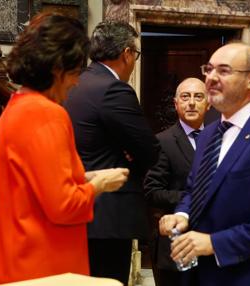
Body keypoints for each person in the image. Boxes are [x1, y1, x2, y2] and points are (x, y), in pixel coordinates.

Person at [0, 13, 129, 285]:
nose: (77, 82)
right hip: (44, 263)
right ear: (56, 69)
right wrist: (100, 184)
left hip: (14, 257)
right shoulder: (47, 113)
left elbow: (34, 185)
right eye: (75, 72)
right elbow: (64, 205)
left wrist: (87, 178)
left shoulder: (16, 106)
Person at [158, 42, 250, 286]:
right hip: (197, 275)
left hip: (248, 276)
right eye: (209, 69)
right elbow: (195, 190)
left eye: (224, 71)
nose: (211, 78)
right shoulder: (208, 134)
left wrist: (214, 243)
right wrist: (182, 214)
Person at [64, 20, 159, 285]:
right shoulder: (113, 89)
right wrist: (129, 153)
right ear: (127, 53)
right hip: (108, 214)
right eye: (136, 55)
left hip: (77, 205)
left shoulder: (76, 82)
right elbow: (150, 151)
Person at [144, 77, 210, 286]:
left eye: (198, 97)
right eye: (185, 97)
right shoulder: (163, 141)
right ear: (176, 104)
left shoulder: (220, 139)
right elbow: (151, 191)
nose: (191, 102)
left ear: (209, 103)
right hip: (176, 245)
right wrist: (191, 198)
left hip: (212, 244)